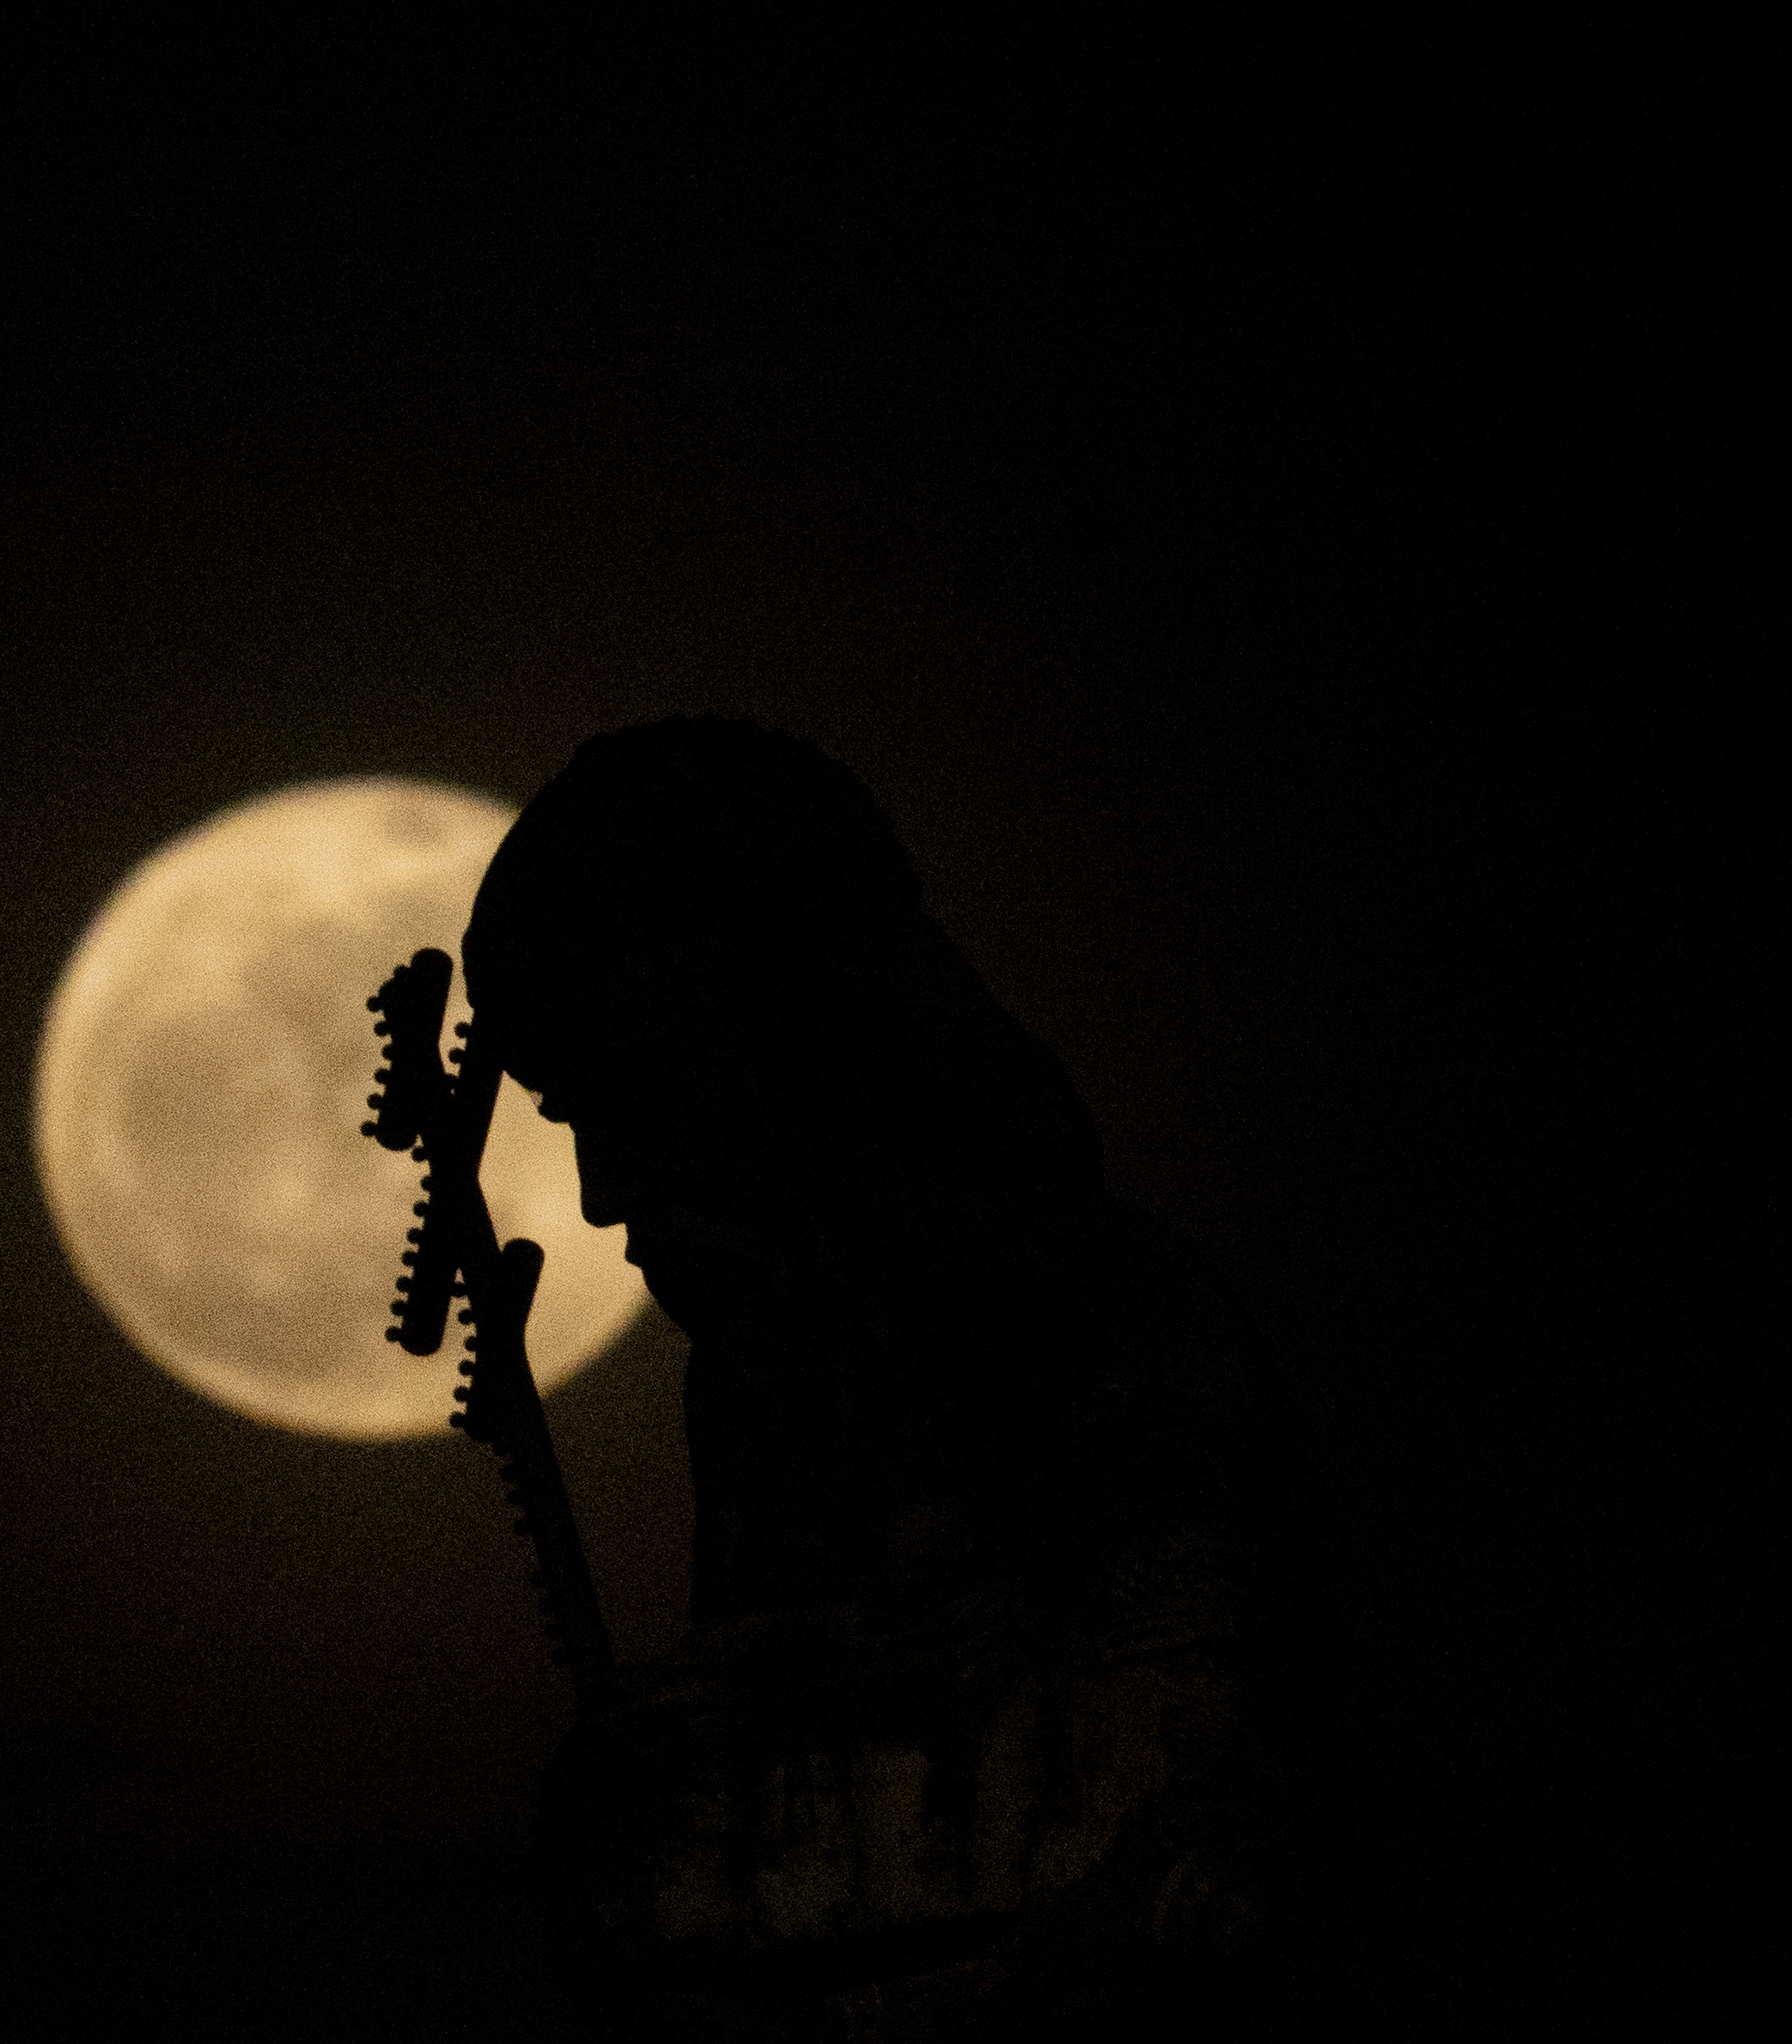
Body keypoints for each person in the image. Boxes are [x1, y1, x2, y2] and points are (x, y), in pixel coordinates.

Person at [461, 719, 1316, 2041]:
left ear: (764, 1048)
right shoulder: (760, 1406)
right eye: (572, 1124)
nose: (601, 1193)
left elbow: (1206, 1873)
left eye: (625, 1105)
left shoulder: (1113, 1342)